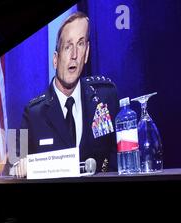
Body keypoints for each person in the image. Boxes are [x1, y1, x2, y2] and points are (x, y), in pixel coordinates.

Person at [18, 12, 118, 176]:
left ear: (86, 53)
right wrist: (21, 165)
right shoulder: (32, 113)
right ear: (55, 60)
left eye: (80, 44)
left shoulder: (106, 95)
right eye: (67, 47)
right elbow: (15, 165)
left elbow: (119, 158)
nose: (74, 55)